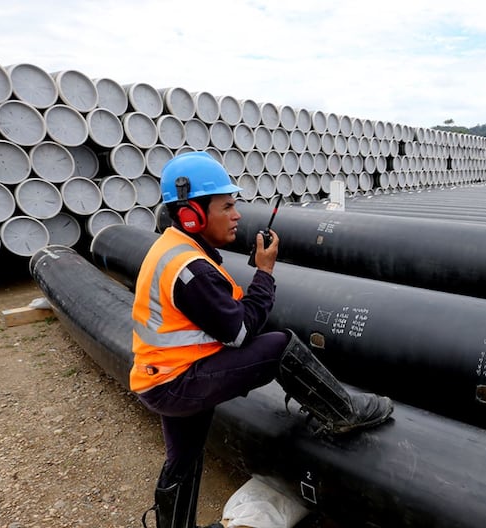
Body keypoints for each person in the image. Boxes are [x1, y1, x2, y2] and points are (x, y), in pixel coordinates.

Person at [131, 152, 394, 528]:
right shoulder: (190, 269)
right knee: (278, 346)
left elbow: (215, 316)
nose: (237, 215)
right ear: (192, 215)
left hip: (163, 377)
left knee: (183, 458)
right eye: (227, 206)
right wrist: (266, 273)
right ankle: (343, 413)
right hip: (179, 381)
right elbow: (239, 333)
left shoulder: (174, 249)